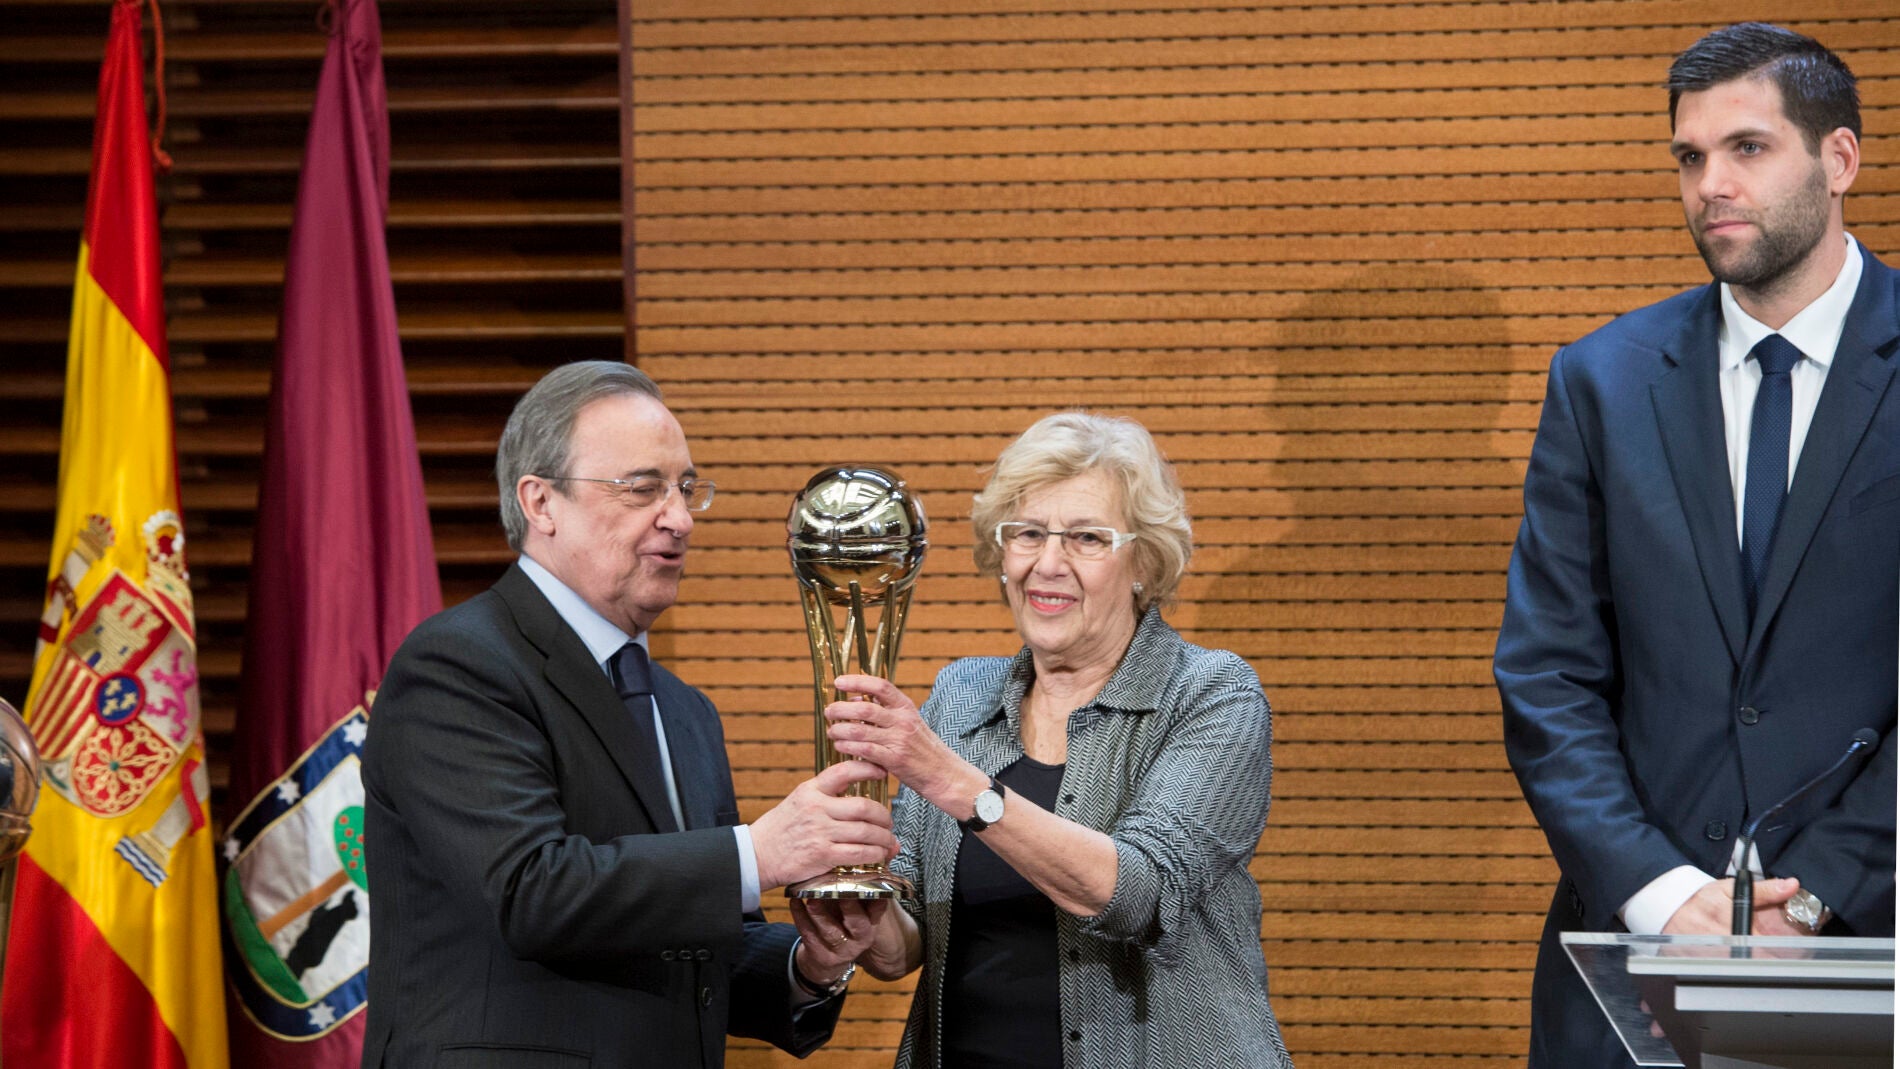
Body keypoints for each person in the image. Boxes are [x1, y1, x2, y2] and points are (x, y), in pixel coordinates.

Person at [1494, 22, 1898, 1066]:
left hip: (1872, 947)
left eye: (1746, 148)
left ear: (1839, 159)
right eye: (1689, 156)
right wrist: (1662, 891)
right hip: (1635, 966)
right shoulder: (1602, 379)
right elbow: (1546, 674)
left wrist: (1813, 899)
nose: (1710, 183)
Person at [361, 361, 896, 1068]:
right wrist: (759, 852)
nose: (679, 518)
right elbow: (530, 892)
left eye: (685, 489)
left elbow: (697, 946)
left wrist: (811, 964)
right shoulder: (458, 664)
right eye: (643, 488)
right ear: (541, 502)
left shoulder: (686, 711)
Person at [800, 412, 1294, 1068]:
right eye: (1028, 533)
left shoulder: (1210, 692)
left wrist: (950, 780)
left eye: (1087, 537)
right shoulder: (961, 693)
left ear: (1144, 561)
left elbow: (1141, 893)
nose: (1048, 564)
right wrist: (860, 921)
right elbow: (911, 937)